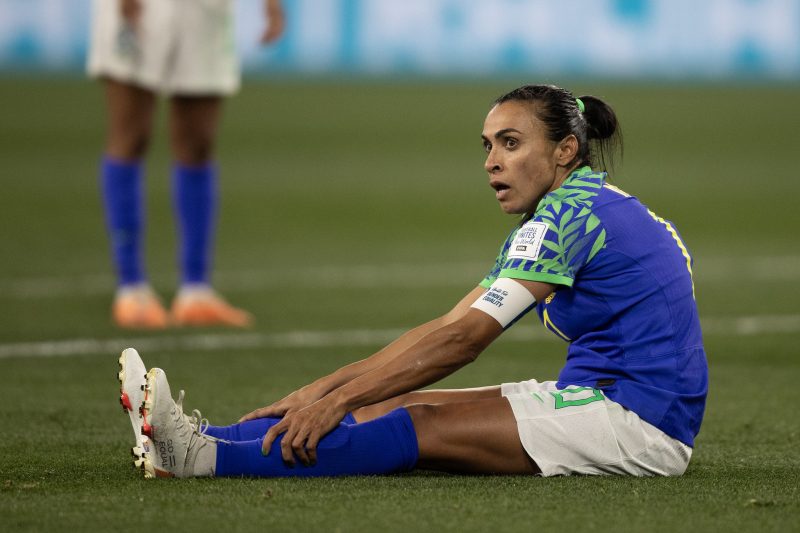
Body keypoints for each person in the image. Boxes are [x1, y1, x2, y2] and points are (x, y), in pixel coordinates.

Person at [118, 84, 708, 478]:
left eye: (510, 142)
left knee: (419, 423)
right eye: (487, 146)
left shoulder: (569, 219)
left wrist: (339, 400)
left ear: (565, 151)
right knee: (398, 400)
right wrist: (317, 393)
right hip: (591, 399)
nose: (491, 161)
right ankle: (197, 436)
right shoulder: (569, 211)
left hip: (638, 424)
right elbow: (450, 324)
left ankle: (202, 458)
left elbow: (464, 343)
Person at [88, 0, 285, 329]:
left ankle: (196, 290)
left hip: (206, 9)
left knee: (198, 143)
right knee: (131, 135)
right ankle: (131, 286)